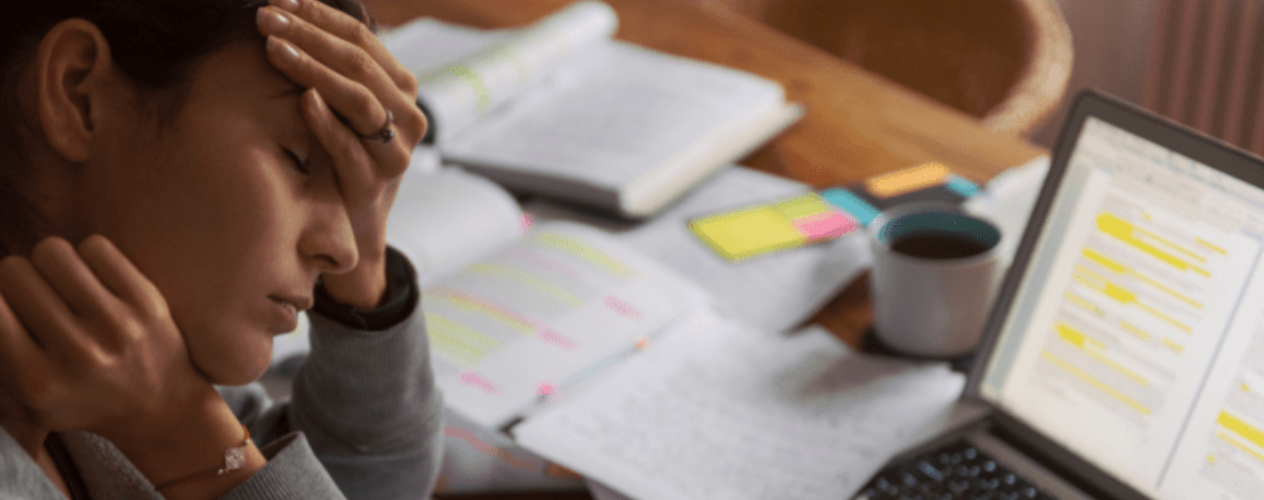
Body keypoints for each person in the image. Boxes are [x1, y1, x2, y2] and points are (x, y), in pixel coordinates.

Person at [0, 0, 442, 498]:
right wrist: (183, 435)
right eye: (297, 159)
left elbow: (369, 483)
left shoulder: (112, 344)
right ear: (78, 93)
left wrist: (367, 265)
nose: (344, 252)